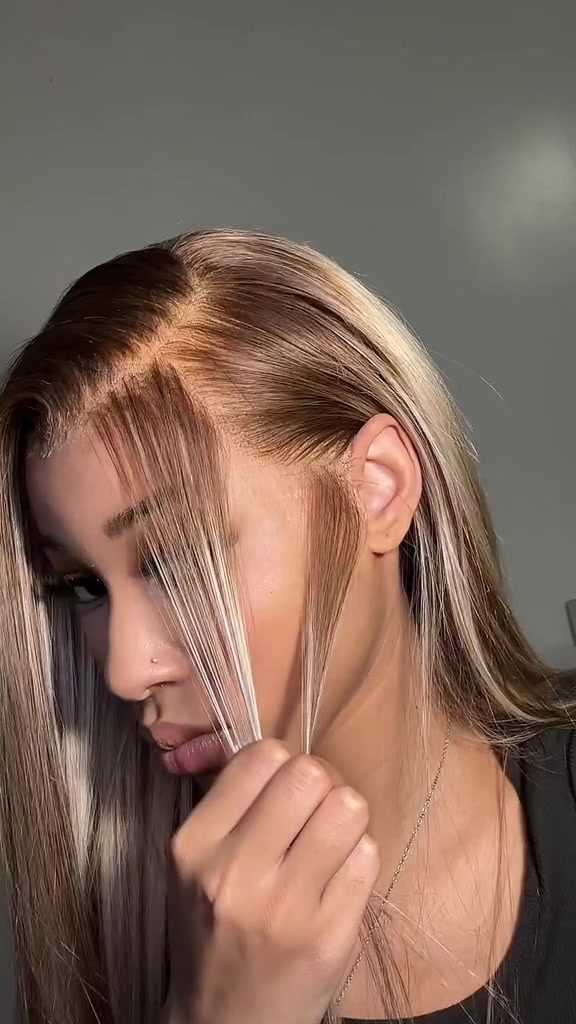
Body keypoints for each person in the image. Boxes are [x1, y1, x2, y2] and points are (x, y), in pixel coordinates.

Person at [0, 230, 574, 1024]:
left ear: (378, 489)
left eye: (180, 562)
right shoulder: (107, 934)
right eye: (82, 587)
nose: (125, 672)